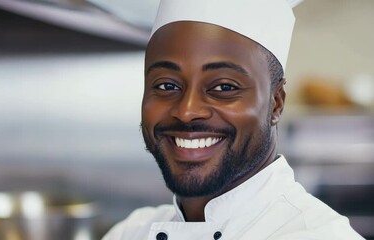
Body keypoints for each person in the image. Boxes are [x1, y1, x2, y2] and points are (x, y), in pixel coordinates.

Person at [102, 0, 364, 239]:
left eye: (224, 87)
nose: (187, 111)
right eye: (167, 86)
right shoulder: (129, 232)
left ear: (276, 103)